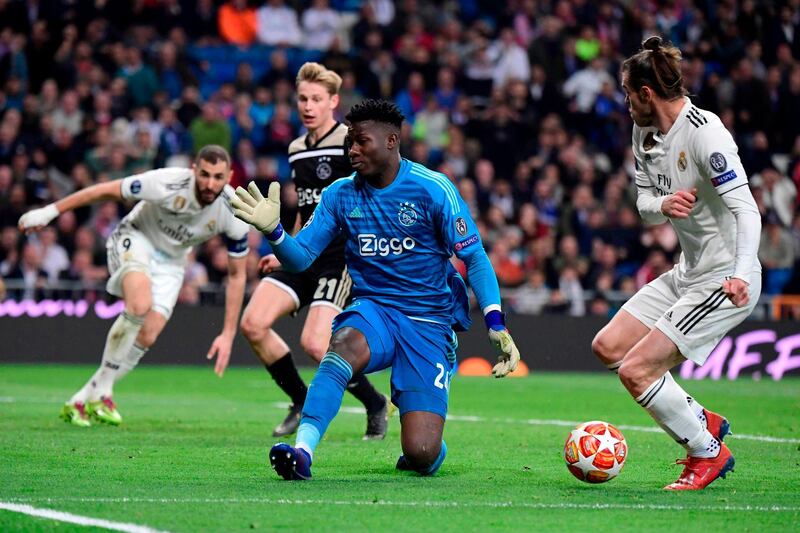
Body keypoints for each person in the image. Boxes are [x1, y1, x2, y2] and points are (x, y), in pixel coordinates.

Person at [231, 99, 521, 480]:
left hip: (429, 323)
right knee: (341, 345)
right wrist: (275, 232)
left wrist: (495, 321)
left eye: (360, 141)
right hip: (375, 310)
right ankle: (302, 451)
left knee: (420, 453)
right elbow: (301, 258)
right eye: (349, 141)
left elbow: (476, 259)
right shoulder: (339, 194)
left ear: (391, 141)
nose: (351, 150)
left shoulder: (433, 189)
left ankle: (424, 440)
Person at [591, 37, 762, 491]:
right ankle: (698, 416)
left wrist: (742, 273)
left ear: (646, 93)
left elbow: (748, 210)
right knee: (608, 347)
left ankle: (707, 452)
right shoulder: (643, 133)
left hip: (724, 278)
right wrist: (664, 203)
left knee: (636, 370)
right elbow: (644, 203)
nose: (625, 102)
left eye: (628, 93)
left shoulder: (706, 134)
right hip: (689, 270)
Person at [18, 145, 250, 427]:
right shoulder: (167, 182)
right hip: (135, 238)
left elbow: (237, 275)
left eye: (218, 176)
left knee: (148, 335)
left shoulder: (235, 211)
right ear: (193, 171)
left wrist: (228, 333)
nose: (210, 183)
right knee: (139, 305)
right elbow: (103, 190)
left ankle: (81, 399)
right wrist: (50, 211)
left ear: (229, 176)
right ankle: (104, 392)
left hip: (173, 263)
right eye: (204, 174)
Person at [233, 63, 390, 439]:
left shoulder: (349, 143)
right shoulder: (296, 149)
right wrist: (285, 247)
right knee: (252, 324)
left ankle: (374, 403)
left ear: (333, 102)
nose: (308, 105)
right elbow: (306, 210)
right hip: (305, 252)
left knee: (316, 344)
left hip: (340, 260)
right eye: (302, 98)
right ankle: (300, 399)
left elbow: (371, 198)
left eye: (316, 99)